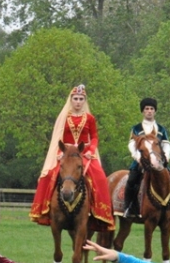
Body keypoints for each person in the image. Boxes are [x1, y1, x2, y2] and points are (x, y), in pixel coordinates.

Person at [30, 84, 114, 231]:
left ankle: (97, 213)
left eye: (81, 99)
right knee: (49, 175)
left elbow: (94, 137)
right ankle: (47, 210)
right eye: (75, 98)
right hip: (66, 153)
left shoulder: (90, 118)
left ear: (84, 101)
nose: (78, 102)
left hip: (84, 152)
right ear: (71, 100)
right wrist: (59, 152)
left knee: (100, 177)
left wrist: (92, 150)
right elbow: (58, 137)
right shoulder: (63, 118)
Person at [123, 97, 170, 218]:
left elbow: (166, 144)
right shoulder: (136, 129)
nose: (149, 111)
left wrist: (167, 156)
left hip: (159, 162)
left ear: (155, 111)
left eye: (151, 109)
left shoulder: (161, 129)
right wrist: (138, 157)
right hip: (141, 162)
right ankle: (128, 207)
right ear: (143, 111)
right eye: (147, 109)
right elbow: (131, 145)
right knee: (131, 181)